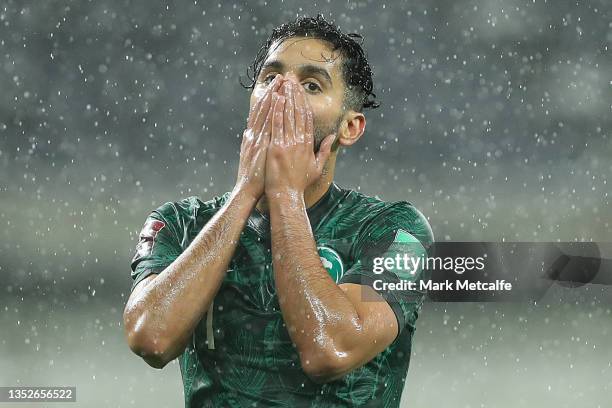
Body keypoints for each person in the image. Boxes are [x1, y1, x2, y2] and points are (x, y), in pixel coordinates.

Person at [123, 14, 434, 408]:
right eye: (270, 80)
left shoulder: (391, 231)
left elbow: (330, 350)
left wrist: (285, 194)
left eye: (310, 84)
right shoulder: (182, 224)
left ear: (350, 127)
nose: (282, 94)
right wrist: (246, 192)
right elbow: (151, 338)